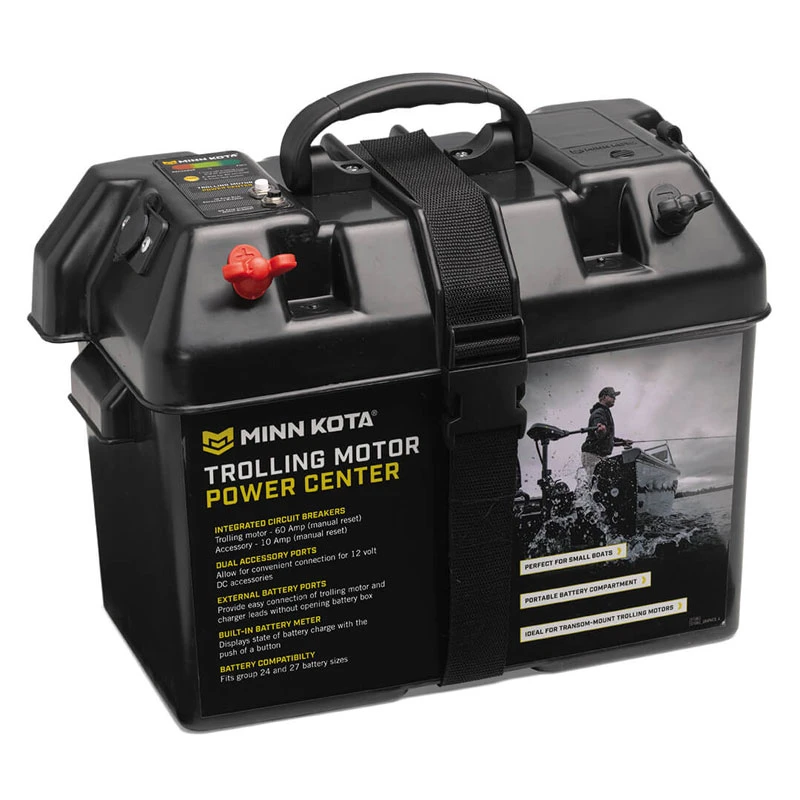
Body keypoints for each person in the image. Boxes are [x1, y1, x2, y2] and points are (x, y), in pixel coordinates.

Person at [581, 387, 633, 482]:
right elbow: (599, 429)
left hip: (599, 455)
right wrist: (601, 430)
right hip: (592, 455)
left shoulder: (604, 412)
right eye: (612, 396)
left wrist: (623, 442)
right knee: (595, 484)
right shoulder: (599, 412)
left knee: (603, 482)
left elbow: (608, 438)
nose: (615, 399)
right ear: (604, 397)